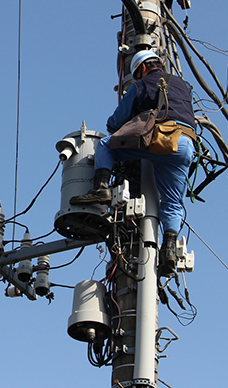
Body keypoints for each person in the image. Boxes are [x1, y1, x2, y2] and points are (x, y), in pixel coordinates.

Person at [70, 49, 196, 276]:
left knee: (107, 145)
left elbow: (116, 122)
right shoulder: (183, 85)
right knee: (173, 203)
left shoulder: (142, 84)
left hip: (159, 139)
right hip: (185, 144)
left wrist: (119, 126)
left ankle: (101, 189)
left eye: (137, 73)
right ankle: (168, 249)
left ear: (143, 68)